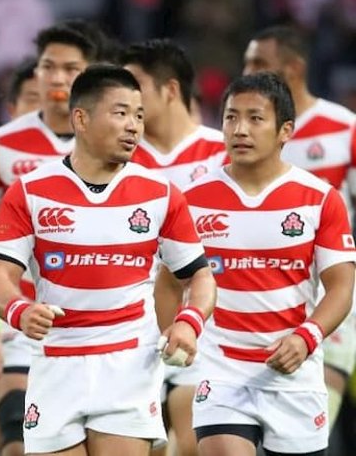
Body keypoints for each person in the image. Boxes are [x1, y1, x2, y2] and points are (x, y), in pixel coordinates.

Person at [0, 64, 217, 455]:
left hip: (128, 364)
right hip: (55, 364)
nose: (133, 126)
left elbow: (200, 276)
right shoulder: (30, 191)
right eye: (121, 112)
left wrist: (189, 323)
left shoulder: (160, 193)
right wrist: (18, 310)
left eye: (139, 115)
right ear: (81, 118)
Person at [186, 72, 356, 455]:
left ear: (285, 131)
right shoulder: (193, 200)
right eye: (230, 117)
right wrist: (179, 332)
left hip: (294, 372)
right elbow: (168, 280)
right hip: (222, 371)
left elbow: (342, 287)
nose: (239, 129)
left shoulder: (320, 199)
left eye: (255, 118)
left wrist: (307, 336)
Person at [0, 20, 106, 456]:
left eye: (71, 68)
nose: (57, 77)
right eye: (48, 66)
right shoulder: (1, 144)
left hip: (101, 321)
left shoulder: (118, 141)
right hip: (23, 315)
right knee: (16, 432)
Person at [243, 25, 356, 428]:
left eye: (259, 62)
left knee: (313, 417)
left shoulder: (343, 127)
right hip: (262, 288)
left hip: (330, 283)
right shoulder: (245, 129)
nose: (248, 70)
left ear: (293, 69)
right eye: (247, 61)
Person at [121, 39, 226, 456]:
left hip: (203, 326)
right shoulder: (117, 159)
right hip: (127, 328)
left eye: (137, 87)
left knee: (191, 439)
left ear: (169, 89)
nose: (127, 100)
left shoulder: (224, 154)